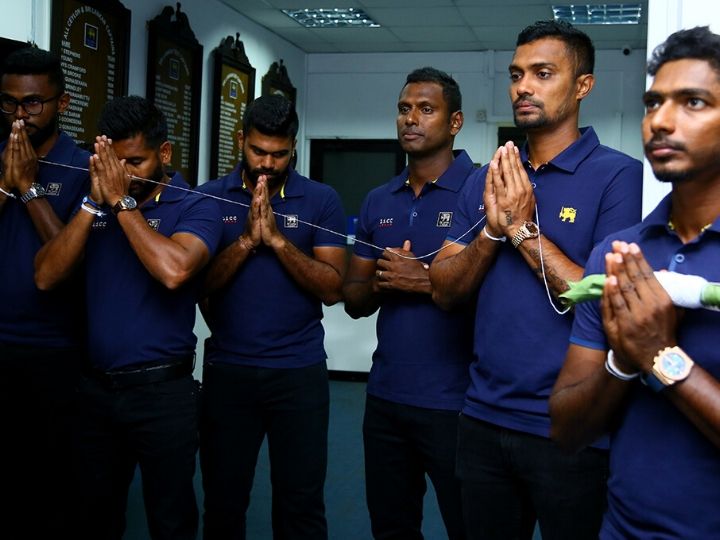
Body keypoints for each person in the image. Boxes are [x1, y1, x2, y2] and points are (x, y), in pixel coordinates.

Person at [429, 20, 643, 539]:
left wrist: (522, 229)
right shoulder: (488, 179)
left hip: (572, 428)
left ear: (583, 85)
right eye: (516, 74)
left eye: (543, 73)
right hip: (482, 417)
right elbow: (443, 289)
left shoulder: (620, 176)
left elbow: (603, 299)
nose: (523, 87)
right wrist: (492, 232)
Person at [550, 26, 720, 539]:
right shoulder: (620, 253)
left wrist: (661, 355)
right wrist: (623, 361)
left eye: (693, 102)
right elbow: (566, 430)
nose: (661, 121)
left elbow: (658, 354)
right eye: (652, 103)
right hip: (622, 528)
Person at [34, 95, 222, 540]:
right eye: (114, 162)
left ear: (165, 153)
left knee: (171, 522)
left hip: (163, 394)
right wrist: (91, 205)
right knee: (93, 519)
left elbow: (175, 271)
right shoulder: (93, 201)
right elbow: (45, 276)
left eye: (135, 162)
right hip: (95, 391)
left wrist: (121, 203)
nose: (124, 173)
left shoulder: (195, 205)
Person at [198, 95, 346, 540]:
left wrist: (279, 241)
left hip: (298, 372)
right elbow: (198, 286)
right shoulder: (208, 197)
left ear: (294, 147)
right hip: (229, 370)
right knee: (223, 502)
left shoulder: (321, 199)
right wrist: (245, 242)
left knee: (301, 505)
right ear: (240, 139)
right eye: (258, 151)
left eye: (279, 154)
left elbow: (333, 288)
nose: (267, 163)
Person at [343, 67, 475, 539]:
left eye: (425, 109)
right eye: (404, 109)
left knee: (470, 526)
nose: (410, 119)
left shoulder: (482, 192)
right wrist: (384, 279)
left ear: (455, 121)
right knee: (392, 527)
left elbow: (497, 295)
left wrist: (422, 280)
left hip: (459, 402)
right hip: (386, 397)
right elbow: (353, 300)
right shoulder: (379, 199)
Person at [0, 46, 90, 539]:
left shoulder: (83, 167)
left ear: (62, 103)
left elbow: (66, 262)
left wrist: (29, 189)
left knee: (53, 486)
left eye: (33, 103)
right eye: (10, 102)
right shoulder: (0, 156)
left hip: (55, 350)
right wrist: (5, 182)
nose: (21, 114)